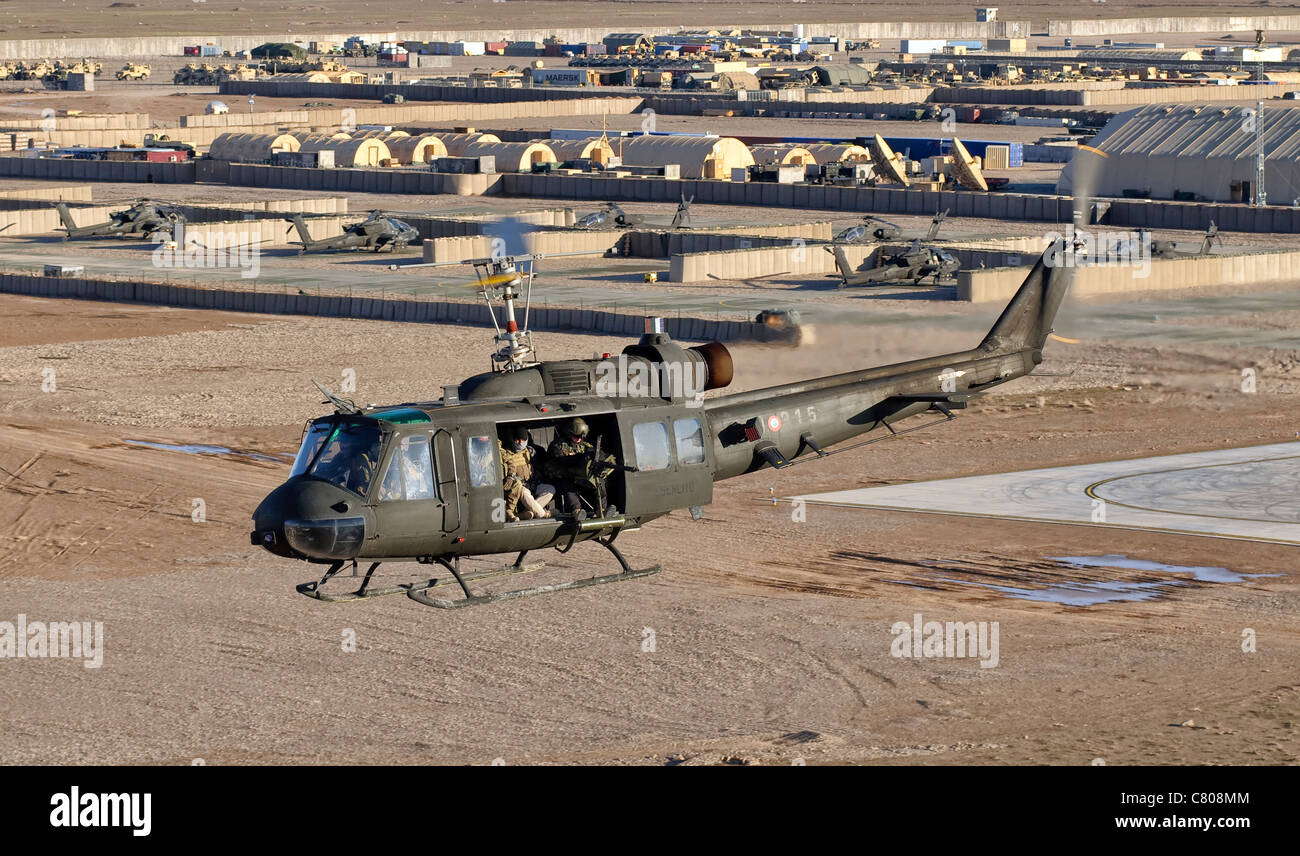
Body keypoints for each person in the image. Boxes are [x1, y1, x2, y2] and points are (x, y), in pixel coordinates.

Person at [545, 417, 616, 519]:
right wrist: (581, 458)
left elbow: (599, 454)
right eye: (576, 436)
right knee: (567, 484)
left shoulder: (585, 446)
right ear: (569, 434)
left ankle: (601, 510)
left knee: (599, 481)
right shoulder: (557, 446)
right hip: (560, 480)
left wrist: (598, 455)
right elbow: (561, 461)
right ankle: (577, 511)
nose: (578, 439)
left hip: (581, 479)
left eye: (581, 437)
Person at [498, 425, 552, 521]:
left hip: (530, 483)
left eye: (522, 440)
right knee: (525, 492)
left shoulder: (528, 451)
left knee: (550, 489)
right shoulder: (506, 453)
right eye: (517, 440)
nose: (520, 443)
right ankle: (541, 514)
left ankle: (528, 513)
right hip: (516, 487)